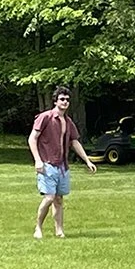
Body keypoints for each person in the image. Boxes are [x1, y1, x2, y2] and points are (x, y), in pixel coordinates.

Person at [27, 86, 96, 239]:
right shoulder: (45, 117)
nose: (65, 102)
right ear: (55, 101)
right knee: (49, 197)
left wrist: (87, 160)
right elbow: (32, 138)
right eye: (62, 99)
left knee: (58, 199)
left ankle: (59, 231)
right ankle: (38, 227)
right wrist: (38, 160)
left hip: (62, 166)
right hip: (47, 164)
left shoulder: (68, 121)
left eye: (67, 100)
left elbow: (74, 142)